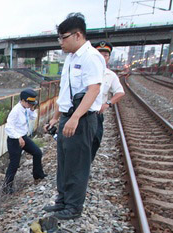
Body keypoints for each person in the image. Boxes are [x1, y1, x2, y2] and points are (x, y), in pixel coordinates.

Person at [43, 13, 105, 221]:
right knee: (64, 162)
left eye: (63, 37)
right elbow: (66, 92)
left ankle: (73, 206)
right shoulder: (70, 58)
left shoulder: (91, 57)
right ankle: (62, 201)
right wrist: (56, 117)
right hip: (67, 116)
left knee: (77, 164)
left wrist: (76, 117)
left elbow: (93, 90)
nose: (61, 42)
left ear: (77, 35)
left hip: (82, 118)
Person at [2, 88, 46, 194]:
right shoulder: (16, 111)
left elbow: (32, 117)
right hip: (14, 139)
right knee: (14, 163)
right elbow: (8, 127)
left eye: (32, 103)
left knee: (37, 152)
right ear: (22, 100)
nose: (30, 105)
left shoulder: (26, 108)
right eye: (29, 103)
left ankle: (38, 175)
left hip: (23, 137)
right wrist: (18, 137)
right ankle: (7, 187)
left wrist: (31, 109)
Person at [92, 41, 125, 161]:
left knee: (95, 140)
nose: (102, 57)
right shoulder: (87, 71)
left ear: (109, 58)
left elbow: (120, 92)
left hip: (96, 114)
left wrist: (108, 104)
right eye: (99, 54)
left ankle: (87, 164)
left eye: (105, 55)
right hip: (81, 113)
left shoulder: (110, 75)